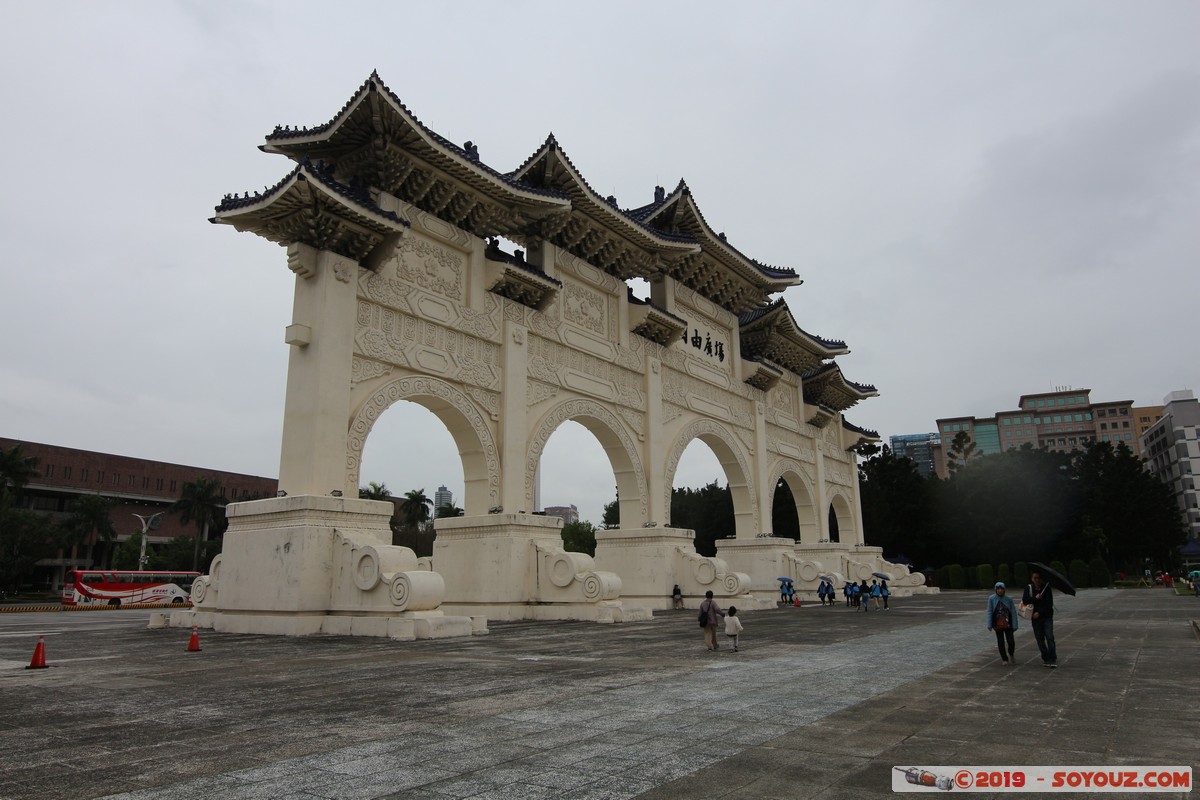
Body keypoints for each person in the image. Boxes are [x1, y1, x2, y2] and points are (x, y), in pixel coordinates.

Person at [1022, 570, 1057, 668]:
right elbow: (1025, 600)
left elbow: (1049, 605)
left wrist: (1040, 612)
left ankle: (1052, 657)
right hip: (1035, 619)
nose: (1037, 580)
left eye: (1039, 578)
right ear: (1032, 579)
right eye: (1035, 578)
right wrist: (1035, 598)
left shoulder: (1047, 589)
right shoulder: (1029, 588)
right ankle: (1045, 657)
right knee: (1040, 639)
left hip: (1046, 617)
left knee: (1050, 637)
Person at [986, 581, 1018, 665]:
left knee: (1011, 641)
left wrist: (1015, 625)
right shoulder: (991, 598)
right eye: (998, 589)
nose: (1000, 590)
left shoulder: (1009, 599)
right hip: (997, 623)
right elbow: (989, 611)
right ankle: (1004, 658)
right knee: (1000, 642)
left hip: (1008, 623)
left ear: (1004, 590)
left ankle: (1011, 653)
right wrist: (989, 624)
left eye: (1001, 589)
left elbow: (1013, 612)